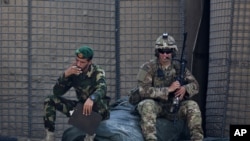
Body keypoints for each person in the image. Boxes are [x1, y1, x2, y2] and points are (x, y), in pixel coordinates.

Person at [135, 33, 204, 141]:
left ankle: (197, 138)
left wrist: (185, 89)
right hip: (156, 105)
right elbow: (143, 91)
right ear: (157, 52)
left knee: (192, 105)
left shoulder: (178, 68)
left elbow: (195, 85)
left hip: (174, 106)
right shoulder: (148, 67)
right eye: (162, 51)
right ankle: (151, 139)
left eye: (168, 52)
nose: (165, 55)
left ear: (173, 52)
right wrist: (168, 90)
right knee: (147, 105)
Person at [43, 46, 110, 141]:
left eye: (82, 62)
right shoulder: (74, 72)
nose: (78, 64)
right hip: (81, 111)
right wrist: (65, 75)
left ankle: (90, 135)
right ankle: (50, 137)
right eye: (77, 60)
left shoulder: (97, 72)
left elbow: (102, 88)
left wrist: (92, 98)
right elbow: (57, 92)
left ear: (89, 62)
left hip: (98, 111)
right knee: (49, 100)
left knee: (96, 104)